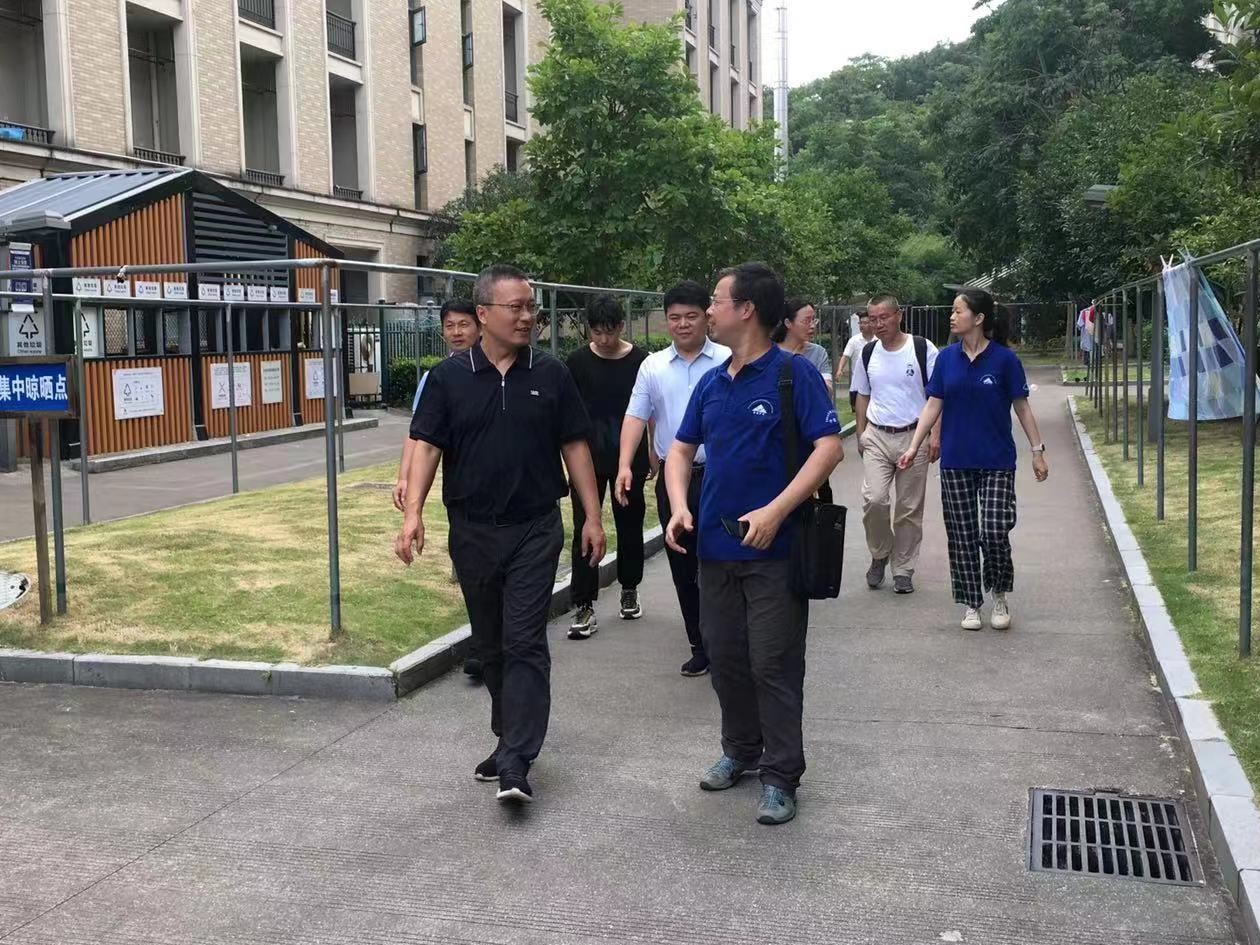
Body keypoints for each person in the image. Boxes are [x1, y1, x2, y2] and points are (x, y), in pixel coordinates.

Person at [396, 264, 607, 805]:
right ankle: (507, 736)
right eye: (516, 307)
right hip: (472, 530)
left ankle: (517, 759)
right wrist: (413, 512)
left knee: (524, 640)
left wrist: (592, 516)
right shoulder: (448, 379)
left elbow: (575, 447)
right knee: (490, 644)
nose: (527, 316)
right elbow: (427, 446)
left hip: (535, 527)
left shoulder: (552, 374)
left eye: (531, 307)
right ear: (484, 313)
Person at [665, 262, 844, 826]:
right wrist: (679, 505)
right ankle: (741, 750)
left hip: (776, 551)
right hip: (715, 550)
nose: (708, 310)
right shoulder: (712, 382)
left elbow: (829, 448)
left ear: (746, 310)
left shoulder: (793, 375)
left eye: (717, 300)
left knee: (774, 663)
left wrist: (776, 510)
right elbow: (679, 449)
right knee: (725, 658)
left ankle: (781, 775)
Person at [897, 289, 1048, 632]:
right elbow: (933, 404)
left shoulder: (1005, 360)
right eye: (952, 311)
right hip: (956, 460)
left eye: (958, 311)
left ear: (978, 318)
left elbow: (1022, 407)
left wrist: (1037, 451)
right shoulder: (946, 359)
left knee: (994, 530)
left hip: (997, 460)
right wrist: (914, 446)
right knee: (962, 533)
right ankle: (971, 602)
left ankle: (999, 593)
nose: (952, 317)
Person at [616, 281, 731, 677]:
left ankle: (729, 644)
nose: (683, 324)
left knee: (723, 561)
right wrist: (625, 464)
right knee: (683, 564)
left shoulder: (728, 359)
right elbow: (635, 415)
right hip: (674, 479)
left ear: (706, 317)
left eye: (691, 316)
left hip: (722, 477)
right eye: (675, 318)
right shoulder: (653, 366)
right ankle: (700, 644)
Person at [392, 300, 484, 678]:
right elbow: (420, 433)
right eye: (450, 326)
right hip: (462, 490)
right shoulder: (437, 378)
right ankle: (483, 640)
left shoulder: (498, 369)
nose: (457, 332)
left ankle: (493, 641)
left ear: (480, 325)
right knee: (471, 568)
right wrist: (404, 476)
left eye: (464, 324)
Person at [565, 295, 649, 640]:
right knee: (585, 527)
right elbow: (567, 414)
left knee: (629, 524)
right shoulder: (576, 362)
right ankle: (584, 604)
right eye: (597, 332)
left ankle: (629, 587)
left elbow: (649, 409)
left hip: (629, 457)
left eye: (610, 332)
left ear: (621, 327)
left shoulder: (641, 361)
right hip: (587, 458)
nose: (603, 339)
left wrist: (653, 453)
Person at [852, 294, 940, 595]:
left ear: (898, 315)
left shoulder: (922, 348)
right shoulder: (868, 352)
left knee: (908, 507)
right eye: (873, 319)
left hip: (914, 435)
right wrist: (861, 433)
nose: (878, 324)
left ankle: (903, 568)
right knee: (874, 499)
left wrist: (935, 435)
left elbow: (937, 396)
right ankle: (880, 553)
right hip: (877, 435)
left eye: (884, 317)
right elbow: (862, 394)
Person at [772, 298, 833, 393]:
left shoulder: (818, 352)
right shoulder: (770, 352)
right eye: (807, 321)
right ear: (788, 323)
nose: (812, 326)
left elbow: (828, 389)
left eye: (814, 320)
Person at [836, 310, 875, 413]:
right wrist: (840, 370)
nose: (862, 325)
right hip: (858, 383)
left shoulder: (878, 340)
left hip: (875, 383)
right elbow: (845, 356)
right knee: (859, 412)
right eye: (860, 323)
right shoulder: (854, 340)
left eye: (865, 323)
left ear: (872, 323)